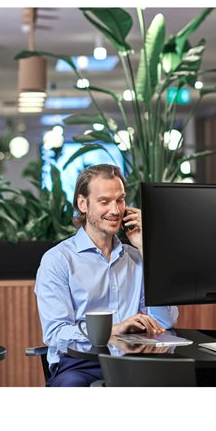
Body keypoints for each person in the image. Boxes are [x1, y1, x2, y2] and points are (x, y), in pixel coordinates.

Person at [35, 164, 178, 387]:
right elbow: (56, 333)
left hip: (136, 361)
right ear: (83, 204)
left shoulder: (138, 257)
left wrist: (147, 249)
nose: (115, 210)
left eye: (120, 200)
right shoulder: (57, 260)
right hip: (81, 364)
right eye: (104, 201)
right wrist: (112, 331)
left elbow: (166, 321)